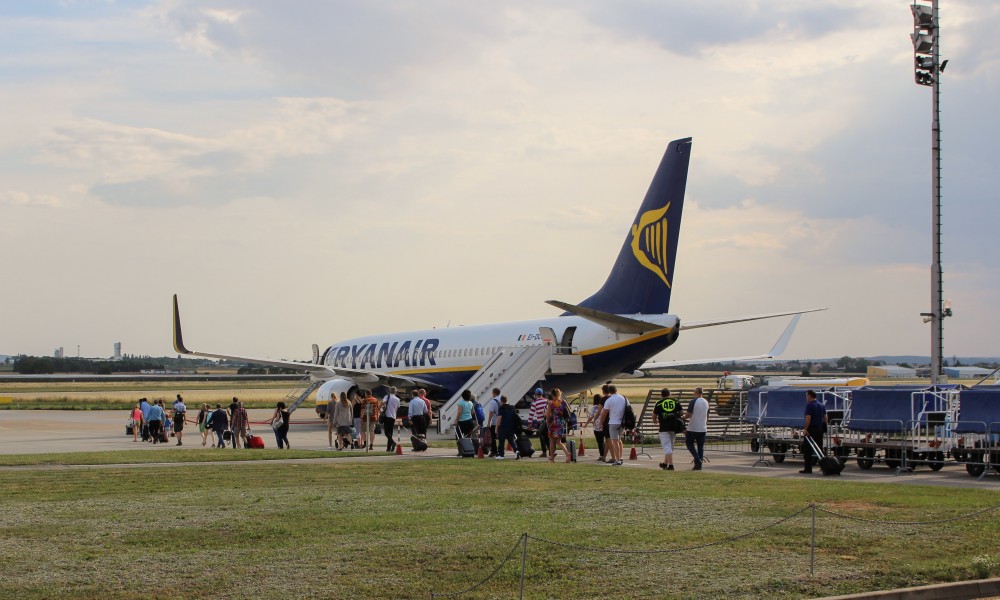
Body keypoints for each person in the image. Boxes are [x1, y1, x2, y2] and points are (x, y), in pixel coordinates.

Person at [653, 388, 683, 471]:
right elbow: (681, 413)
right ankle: (665, 463)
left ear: (661, 395)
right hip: (674, 427)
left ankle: (671, 465)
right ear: (669, 394)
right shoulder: (675, 401)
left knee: (667, 447)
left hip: (663, 427)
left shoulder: (659, 403)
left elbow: (654, 415)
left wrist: (655, 421)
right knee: (670, 447)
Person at [800, 390, 828, 474]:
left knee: (807, 450)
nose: (806, 398)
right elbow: (825, 418)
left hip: (811, 429)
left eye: (806, 396)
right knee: (819, 448)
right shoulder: (821, 405)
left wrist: (805, 429)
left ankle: (808, 468)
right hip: (819, 429)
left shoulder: (809, 405)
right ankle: (824, 466)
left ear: (809, 396)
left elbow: (808, 418)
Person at [599, 385, 627, 466]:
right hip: (622, 422)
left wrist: (601, 424)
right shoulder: (623, 398)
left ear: (609, 391)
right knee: (619, 440)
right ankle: (621, 457)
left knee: (615, 442)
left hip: (613, 422)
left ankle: (617, 460)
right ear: (616, 390)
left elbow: (603, 414)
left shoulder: (609, 400)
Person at [684, 387, 709, 470]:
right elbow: (707, 415)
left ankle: (697, 460)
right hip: (703, 428)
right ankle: (699, 465)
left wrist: (682, 418)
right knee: (700, 447)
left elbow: (688, 414)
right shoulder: (706, 402)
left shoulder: (693, 401)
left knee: (689, 444)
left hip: (693, 427)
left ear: (696, 392)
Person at [546, 389, 572, 463]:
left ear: (553, 395)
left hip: (553, 423)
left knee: (551, 441)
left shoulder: (551, 403)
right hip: (560, 423)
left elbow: (548, 415)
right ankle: (567, 453)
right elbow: (569, 411)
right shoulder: (563, 402)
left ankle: (552, 458)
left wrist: (548, 420)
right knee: (558, 441)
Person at [493, 396, 519, 460]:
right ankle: (516, 450)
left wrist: (496, 428)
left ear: (501, 401)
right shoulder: (512, 407)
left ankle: (501, 455)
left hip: (503, 427)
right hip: (511, 427)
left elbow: (499, 419)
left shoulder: (501, 408)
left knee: (501, 441)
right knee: (511, 440)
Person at [584, 392, 607, 462]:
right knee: (606, 441)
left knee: (600, 442)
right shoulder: (605, 406)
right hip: (605, 425)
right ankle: (606, 454)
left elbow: (590, 417)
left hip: (597, 427)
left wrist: (586, 424)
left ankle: (602, 455)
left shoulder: (594, 408)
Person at [528, 388, 549, 458]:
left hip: (540, 423)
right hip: (548, 422)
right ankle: (552, 451)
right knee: (548, 437)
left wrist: (529, 423)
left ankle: (544, 452)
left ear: (536, 394)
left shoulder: (535, 403)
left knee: (542, 437)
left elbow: (531, 414)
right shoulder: (547, 401)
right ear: (542, 394)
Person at [381, 387, 401, 452]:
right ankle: (388, 448)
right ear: (395, 392)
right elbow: (397, 408)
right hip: (393, 417)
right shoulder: (397, 399)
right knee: (390, 432)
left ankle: (392, 443)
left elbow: (382, 402)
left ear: (390, 391)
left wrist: (379, 408)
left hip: (387, 416)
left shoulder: (387, 396)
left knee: (386, 432)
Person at [484, 388, 502, 457]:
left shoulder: (493, 401)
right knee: (501, 437)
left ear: (494, 393)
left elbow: (491, 412)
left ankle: (494, 451)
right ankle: (501, 451)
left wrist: (488, 422)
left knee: (492, 437)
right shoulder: (503, 399)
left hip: (495, 422)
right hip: (503, 422)